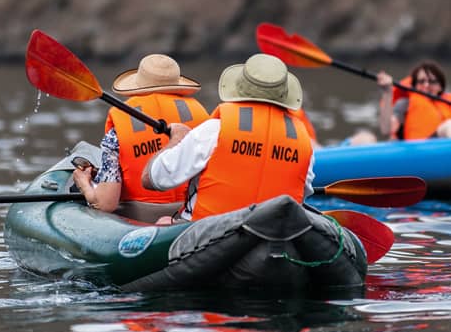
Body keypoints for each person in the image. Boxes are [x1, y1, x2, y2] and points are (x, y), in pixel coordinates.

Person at [141, 53, 314, 222]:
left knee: (164, 221)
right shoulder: (302, 141)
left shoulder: (214, 130)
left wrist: (176, 139)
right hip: (275, 239)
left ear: (240, 88)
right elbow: (302, 193)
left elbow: (153, 179)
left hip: (211, 239)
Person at [72, 54, 209, 212]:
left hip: (140, 218)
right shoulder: (204, 119)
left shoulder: (118, 127)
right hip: (191, 213)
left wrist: (83, 183)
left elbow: (105, 204)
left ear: (137, 85)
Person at [377, 60, 451, 140]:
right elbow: (386, 130)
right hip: (417, 153)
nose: (426, 85)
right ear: (414, 86)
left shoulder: (447, 105)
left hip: (445, 151)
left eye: (432, 81)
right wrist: (387, 92)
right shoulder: (405, 104)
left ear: (440, 87)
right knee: (450, 125)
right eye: (421, 81)